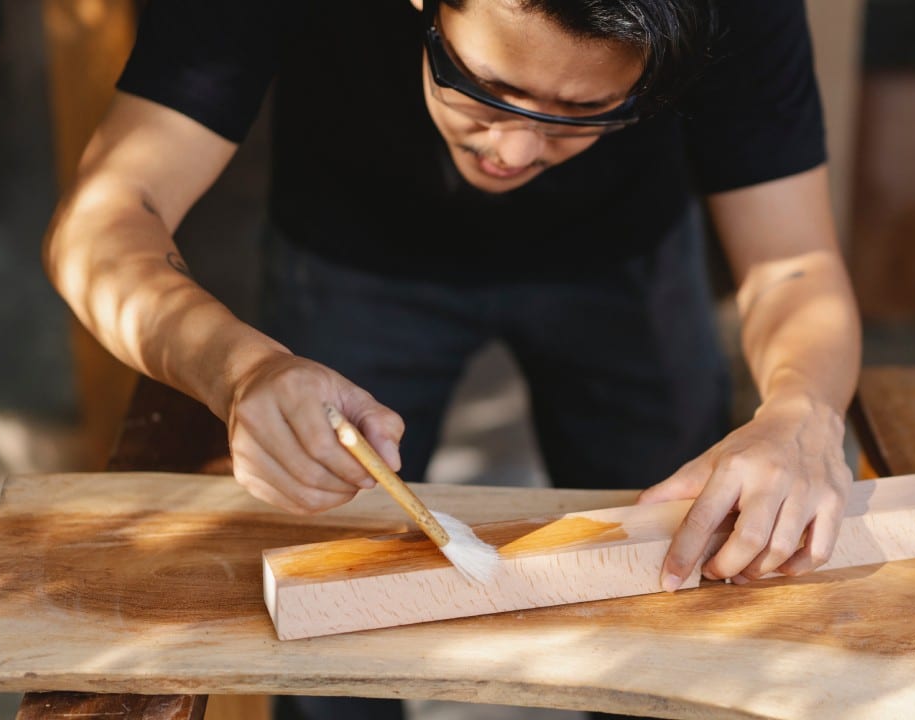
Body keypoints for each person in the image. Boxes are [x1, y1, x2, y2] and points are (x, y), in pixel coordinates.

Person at [42, 0, 861, 717]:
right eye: (484, 88)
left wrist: (804, 411)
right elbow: (101, 221)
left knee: (677, 580)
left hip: (626, 252)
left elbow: (793, 263)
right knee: (327, 617)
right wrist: (239, 370)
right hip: (353, 243)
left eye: (583, 110)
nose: (514, 149)